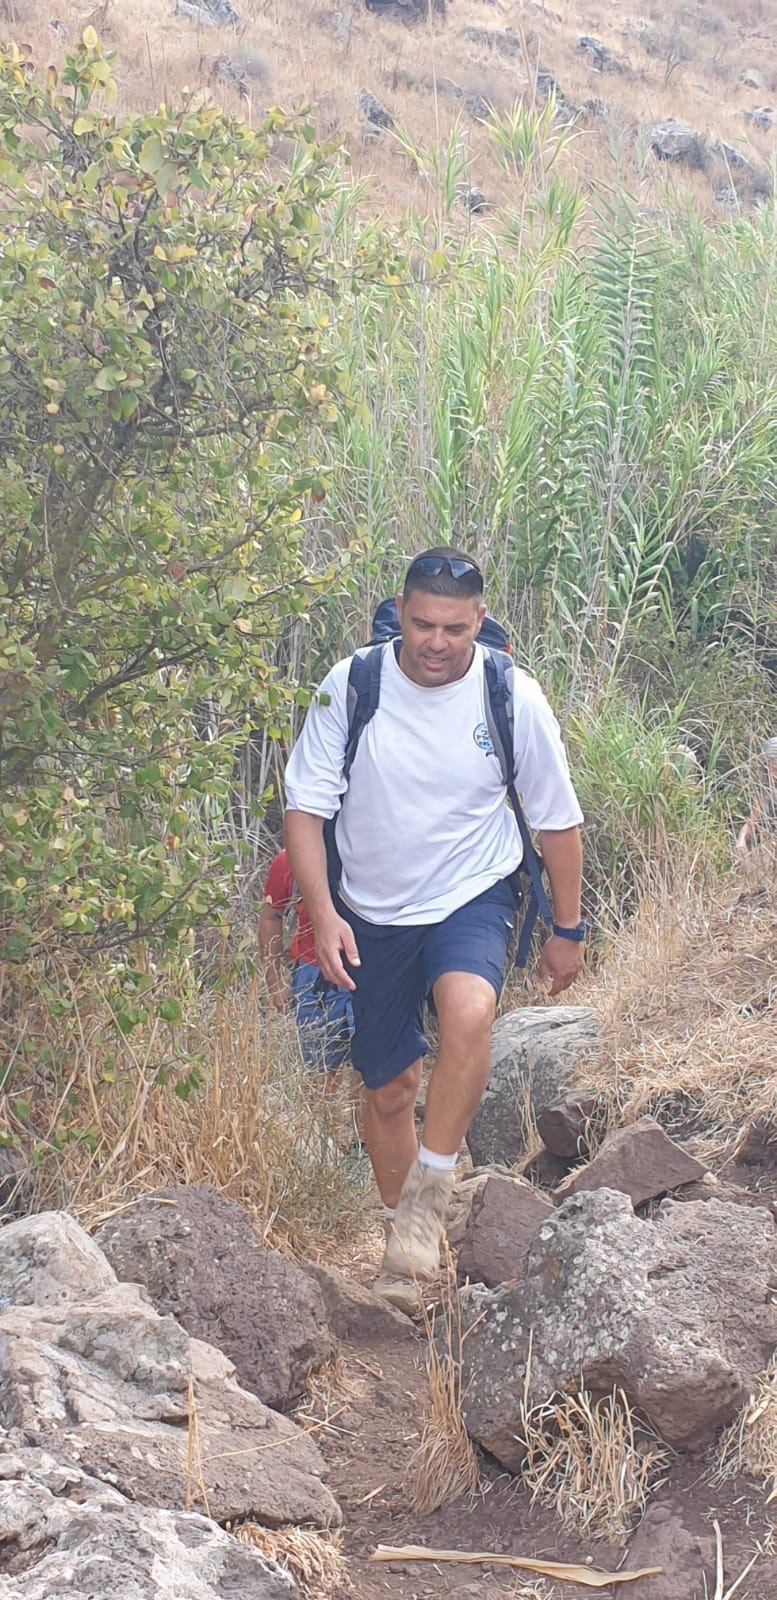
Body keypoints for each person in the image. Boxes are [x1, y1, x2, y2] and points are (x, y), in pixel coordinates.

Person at [284, 548, 585, 1312]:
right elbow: (306, 809)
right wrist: (322, 915)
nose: (436, 643)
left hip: (470, 891)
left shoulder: (508, 693)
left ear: (478, 621)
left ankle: (426, 1204)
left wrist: (568, 927)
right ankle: (406, 1255)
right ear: (400, 612)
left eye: (454, 628)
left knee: (469, 1012)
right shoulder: (351, 684)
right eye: (422, 625)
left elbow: (556, 819)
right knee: (389, 1090)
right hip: (371, 910)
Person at [259, 847, 354, 1081]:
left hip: (372, 970)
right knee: (320, 1076)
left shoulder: (367, 852)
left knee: (373, 1078)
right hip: (315, 977)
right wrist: (274, 981)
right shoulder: (292, 858)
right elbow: (270, 916)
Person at [734, 738, 777, 859]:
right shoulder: (765, 791)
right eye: (771, 767)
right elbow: (752, 822)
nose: (774, 774)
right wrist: (741, 841)